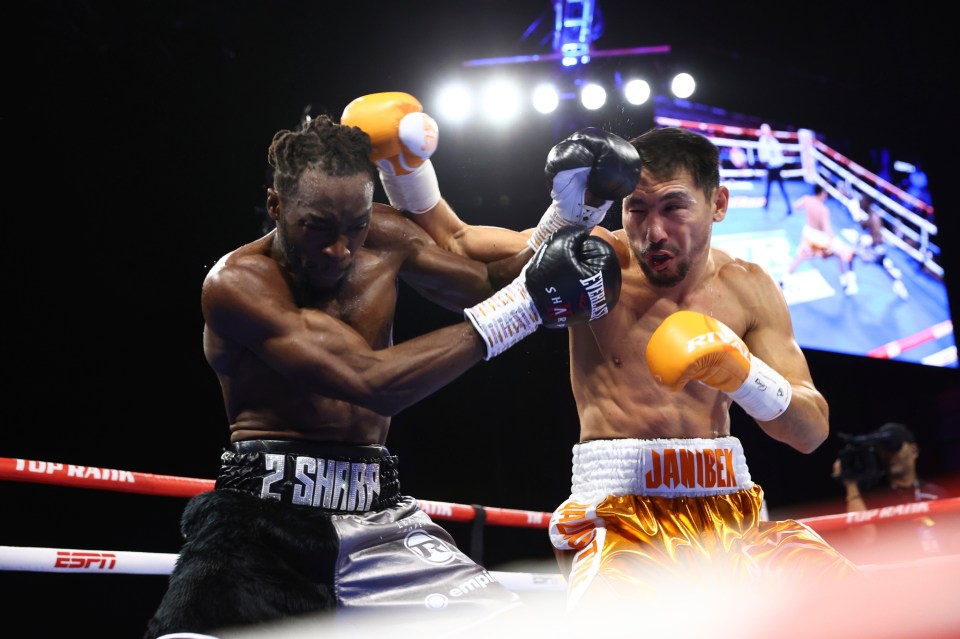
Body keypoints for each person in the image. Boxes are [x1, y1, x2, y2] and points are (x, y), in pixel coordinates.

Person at [345, 93, 860, 613]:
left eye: (674, 207)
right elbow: (460, 246)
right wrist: (405, 165)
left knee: (856, 608)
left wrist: (746, 375)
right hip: (618, 515)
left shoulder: (751, 288)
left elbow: (812, 431)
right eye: (637, 208)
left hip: (734, 509)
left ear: (718, 204)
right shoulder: (596, 260)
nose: (653, 231)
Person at [143, 109, 627, 638]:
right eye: (317, 228)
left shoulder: (386, 237)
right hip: (263, 522)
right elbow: (371, 382)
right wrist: (526, 307)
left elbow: (490, 281)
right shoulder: (238, 283)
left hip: (381, 515)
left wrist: (574, 215)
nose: (340, 248)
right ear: (275, 206)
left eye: (356, 225)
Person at [831, 422, 950, 562]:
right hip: (898, 576)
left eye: (894, 447)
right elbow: (864, 538)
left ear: (914, 450)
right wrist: (850, 484)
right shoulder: (872, 498)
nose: (889, 454)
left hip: (939, 571)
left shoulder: (938, 494)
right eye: (883, 449)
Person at [784, 183, 859, 296]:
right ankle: (848, 282)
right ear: (822, 193)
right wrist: (834, 240)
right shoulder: (823, 209)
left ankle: (785, 279)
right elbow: (826, 229)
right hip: (820, 238)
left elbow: (796, 206)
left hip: (808, 234)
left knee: (800, 256)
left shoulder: (807, 199)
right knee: (846, 253)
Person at [847, 191, 909, 299]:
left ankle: (899, 285)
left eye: (863, 199)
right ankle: (851, 282)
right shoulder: (868, 213)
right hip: (869, 246)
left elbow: (878, 238)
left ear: (867, 201)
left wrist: (869, 239)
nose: (861, 201)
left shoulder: (874, 217)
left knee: (885, 266)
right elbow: (864, 225)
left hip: (874, 247)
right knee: (851, 256)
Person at [756, 123, 792, 215]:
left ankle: (789, 207)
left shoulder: (773, 141)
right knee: (768, 188)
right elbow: (762, 157)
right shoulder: (762, 141)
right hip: (770, 168)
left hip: (777, 167)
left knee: (781, 187)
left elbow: (779, 153)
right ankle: (767, 205)